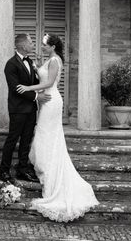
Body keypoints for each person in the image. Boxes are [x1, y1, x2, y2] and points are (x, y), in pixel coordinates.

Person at [16, 33, 99, 222]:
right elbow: (43, 76)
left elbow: (48, 83)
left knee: (46, 135)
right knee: (46, 135)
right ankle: (46, 167)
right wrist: (36, 67)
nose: (42, 47)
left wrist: (28, 88)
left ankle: (50, 171)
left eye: (45, 45)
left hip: (52, 101)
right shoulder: (50, 60)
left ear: (52, 46)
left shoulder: (54, 60)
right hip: (46, 101)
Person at [0, 33, 50, 183]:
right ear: (22, 45)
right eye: (31, 42)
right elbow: (16, 89)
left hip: (31, 109)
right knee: (12, 139)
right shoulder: (11, 64)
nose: (33, 45)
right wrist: (36, 97)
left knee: (27, 140)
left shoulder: (30, 62)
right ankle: (4, 171)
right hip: (18, 109)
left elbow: (33, 83)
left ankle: (22, 169)